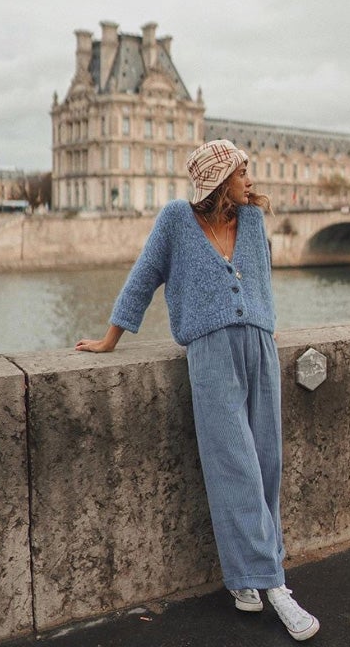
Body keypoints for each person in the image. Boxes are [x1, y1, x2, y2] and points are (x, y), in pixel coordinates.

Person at [76, 139, 320, 642]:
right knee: (236, 467)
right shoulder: (174, 220)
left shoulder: (252, 221)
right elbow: (143, 278)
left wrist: (266, 333)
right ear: (217, 180)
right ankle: (275, 586)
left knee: (267, 463)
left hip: (260, 348)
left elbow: (262, 284)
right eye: (241, 171)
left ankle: (245, 578)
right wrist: (109, 339)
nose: (250, 179)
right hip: (210, 355)